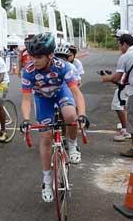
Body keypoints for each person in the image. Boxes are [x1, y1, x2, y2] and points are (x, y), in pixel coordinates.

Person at [19, 32, 87, 203]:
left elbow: (77, 94)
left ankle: (72, 145)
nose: (35, 60)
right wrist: (26, 119)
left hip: (60, 92)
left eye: (39, 56)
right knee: (46, 136)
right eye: (32, 56)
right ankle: (47, 182)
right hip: (42, 98)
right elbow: (26, 99)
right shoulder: (28, 71)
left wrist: (82, 115)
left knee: (71, 115)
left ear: (50, 55)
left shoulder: (63, 66)